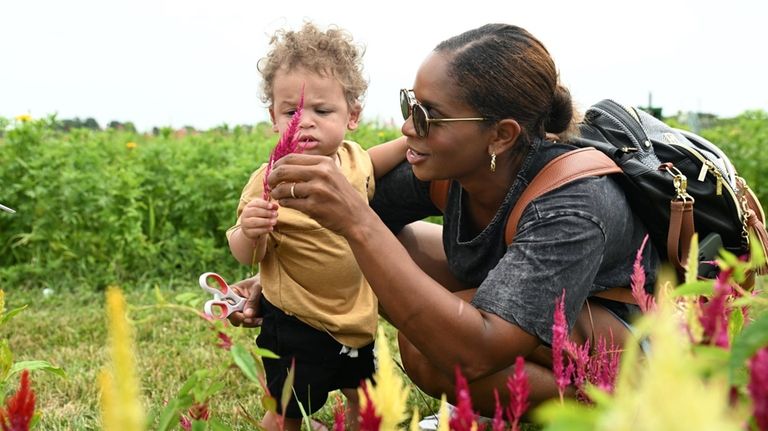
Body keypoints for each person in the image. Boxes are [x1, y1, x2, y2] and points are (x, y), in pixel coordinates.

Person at [230, 23, 659, 418]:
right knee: (387, 246)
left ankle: (610, 402)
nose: (407, 127)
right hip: (526, 310)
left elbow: (475, 350)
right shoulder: (450, 164)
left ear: (501, 135)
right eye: (409, 104)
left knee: (427, 348)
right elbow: (331, 236)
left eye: (428, 116)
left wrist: (357, 222)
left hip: (624, 334)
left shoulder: (572, 204)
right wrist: (284, 277)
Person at [226, 22, 405, 431]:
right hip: (296, 321)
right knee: (288, 409)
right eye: (291, 111)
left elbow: (384, 156)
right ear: (274, 117)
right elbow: (246, 253)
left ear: (352, 115)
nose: (303, 122)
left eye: (322, 111)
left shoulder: (354, 160)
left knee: (368, 401)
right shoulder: (270, 178)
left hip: (357, 319)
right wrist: (250, 230)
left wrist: (417, 139)